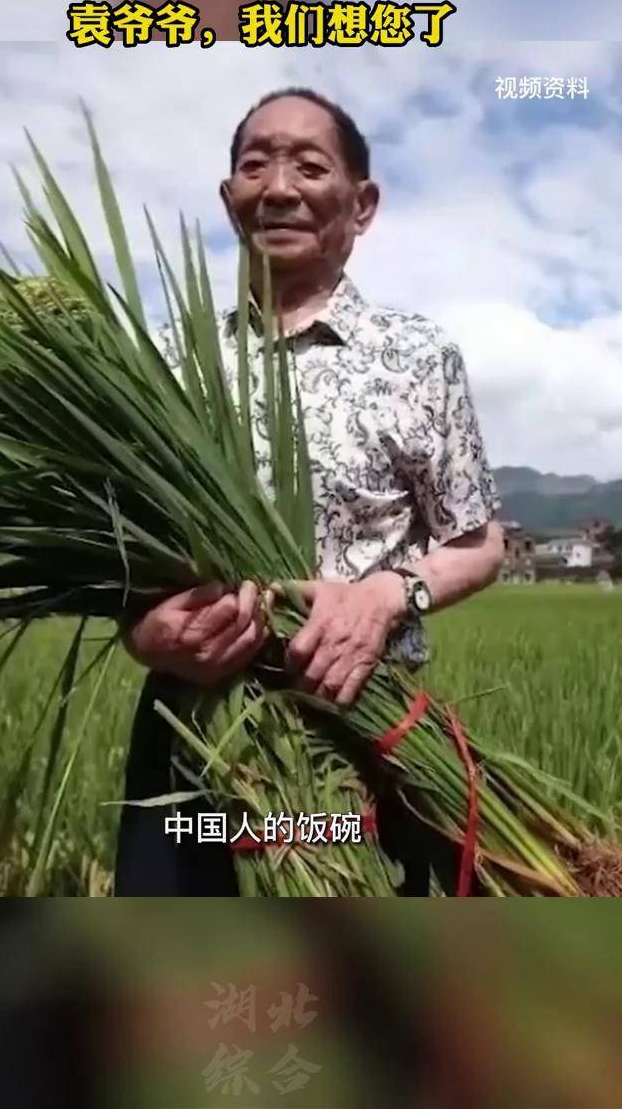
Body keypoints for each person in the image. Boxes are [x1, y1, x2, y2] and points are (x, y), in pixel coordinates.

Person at [116, 86, 505, 896]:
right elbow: (115, 551)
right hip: (194, 734)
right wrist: (145, 631)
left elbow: (477, 541)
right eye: (254, 165)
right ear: (230, 202)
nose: (280, 186)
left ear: (361, 204)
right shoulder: (166, 364)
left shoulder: (417, 356)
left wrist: (387, 598)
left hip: (365, 729)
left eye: (309, 165)